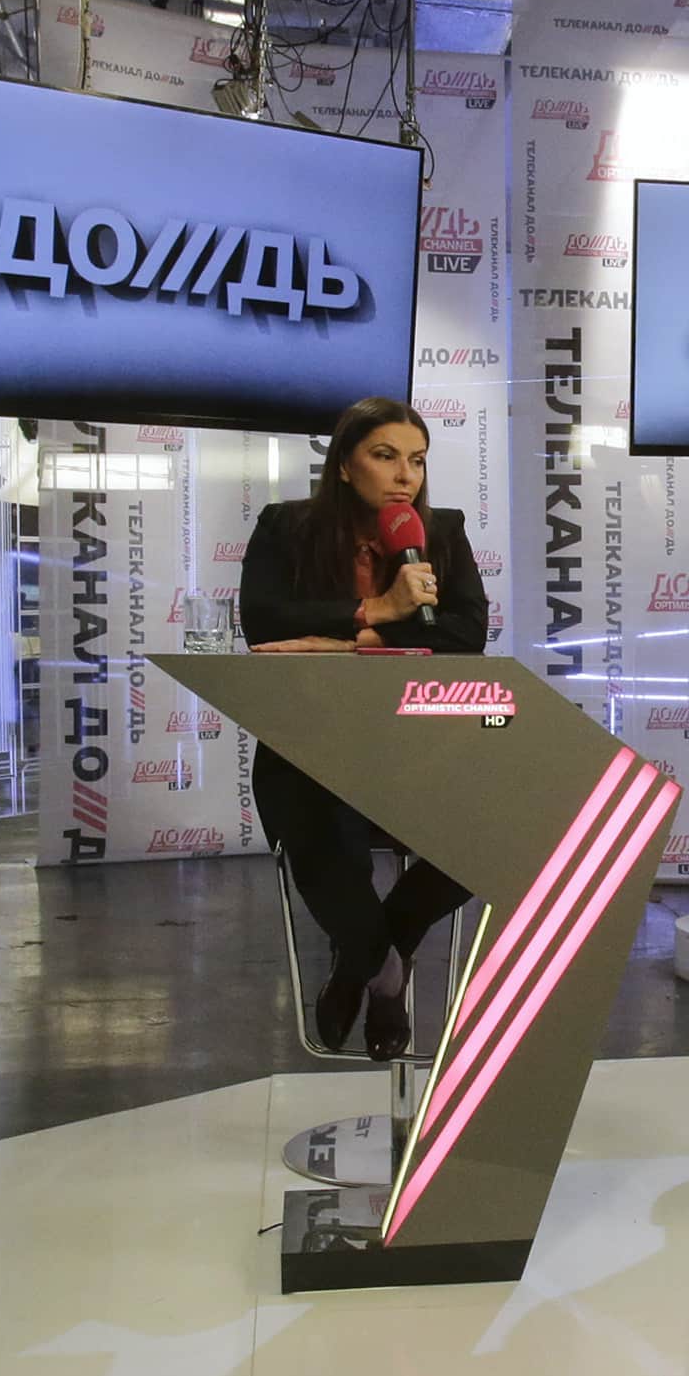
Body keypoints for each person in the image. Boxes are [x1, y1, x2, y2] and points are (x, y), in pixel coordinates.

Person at [239, 397, 492, 1062]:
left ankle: (370, 956)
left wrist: (350, 639)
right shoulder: (285, 527)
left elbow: (467, 637)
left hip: (419, 744)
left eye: (416, 460)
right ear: (346, 466)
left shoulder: (441, 531)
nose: (404, 475)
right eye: (385, 457)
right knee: (318, 819)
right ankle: (384, 976)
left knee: (493, 828)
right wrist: (380, 609)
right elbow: (265, 624)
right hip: (311, 744)